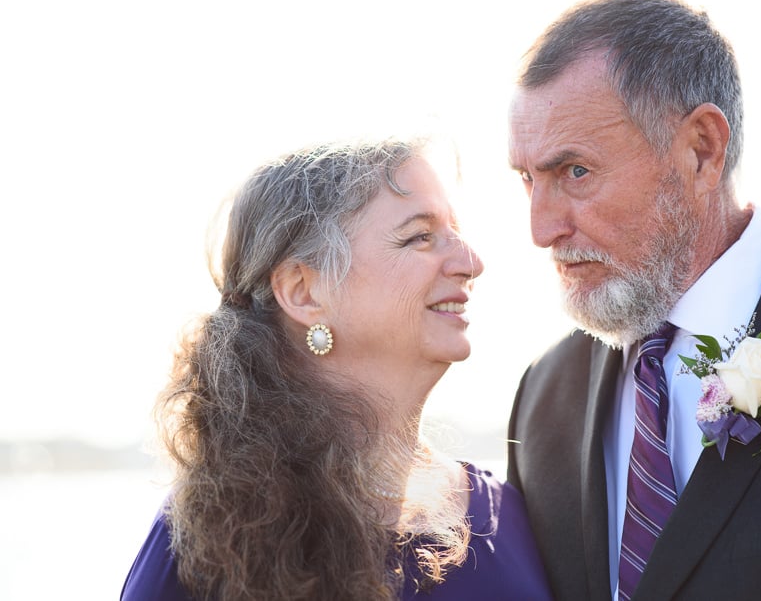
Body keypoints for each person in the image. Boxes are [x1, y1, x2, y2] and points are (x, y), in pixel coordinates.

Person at [506, 0, 761, 601]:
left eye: (575, 172)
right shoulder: (543, 397)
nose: (542, 230)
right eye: (527, 179)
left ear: (702, 149)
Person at [121, 137, 553, 600]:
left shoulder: (509, 515)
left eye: (454, 232)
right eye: (419, 237)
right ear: (303, 292)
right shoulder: (211, 536)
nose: (471, 262)